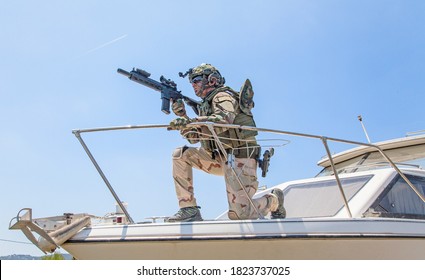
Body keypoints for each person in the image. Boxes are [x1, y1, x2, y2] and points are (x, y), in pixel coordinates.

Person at [166, 63, 285, 222]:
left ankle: (274, 201)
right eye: (192, 82)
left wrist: (192, 121)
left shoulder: (222, 96)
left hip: (240, 159)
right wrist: (182, 115)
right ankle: (189, 209)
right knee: (180, 154)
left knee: (241, 214)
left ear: (211, 80)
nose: (193, 85)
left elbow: (224, 120)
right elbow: (193, 138)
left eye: (196, 80)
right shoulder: (205, 107)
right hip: (219, 158)